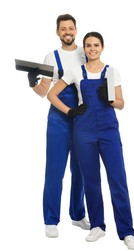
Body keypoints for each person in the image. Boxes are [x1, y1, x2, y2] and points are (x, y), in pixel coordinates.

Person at [47, 31, 134, 249]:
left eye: (96, 45)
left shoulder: (112, 71)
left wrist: (109, 99)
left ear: (102, 47)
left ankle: (127, 231)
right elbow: (52, 95)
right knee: (91, 180)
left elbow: (121, 103)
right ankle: (97, 225)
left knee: (117, 179)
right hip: (84, 131)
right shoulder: (74, 71)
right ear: (85, 48)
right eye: (88, 45)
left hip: (109, 131)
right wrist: (70, 111)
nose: (92, 49)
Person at [27, 14, 90, 238]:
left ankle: (77, 214)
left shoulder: (86, 52)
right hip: (58, 119)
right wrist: (33, 82)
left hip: (83, 117)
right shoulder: (50, 57)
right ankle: (51, 219)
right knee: (55, 169)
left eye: (71, 28)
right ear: (57, 32)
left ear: (76, 30)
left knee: (81, 168)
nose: (67, 32)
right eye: (63, 29)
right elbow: (45, 91)